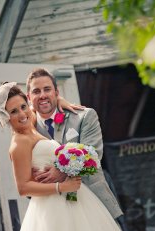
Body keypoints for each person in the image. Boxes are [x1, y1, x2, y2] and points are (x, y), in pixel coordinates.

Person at [0, 83, 142, 231]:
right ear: (5, 118)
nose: (22, 114)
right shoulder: (19, 143)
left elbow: (38, 106)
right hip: (53, 208)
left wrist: (59, 100)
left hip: (77, 201)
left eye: (22, 107)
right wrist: (62, 186)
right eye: (13, 112)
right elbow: (23, 188)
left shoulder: (31, 125)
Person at [26, 68, 123, 220]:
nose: (43, 95)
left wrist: (61, 170)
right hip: (55, 214)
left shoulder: (84, 116)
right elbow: (26, 180)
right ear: (29, 97)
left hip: (95, 206)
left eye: (47, 89)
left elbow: (93, 154)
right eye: (36, 91)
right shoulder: (27, 131)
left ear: (57, 93)